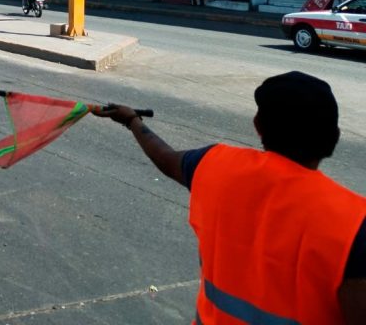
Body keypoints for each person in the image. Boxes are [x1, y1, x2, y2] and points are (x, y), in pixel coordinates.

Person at [94, 71, 366, 324]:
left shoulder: (213, 164)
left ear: (258, 126)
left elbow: (165, 157)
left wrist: (132, 120)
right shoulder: (354, 223)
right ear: (335, 137)